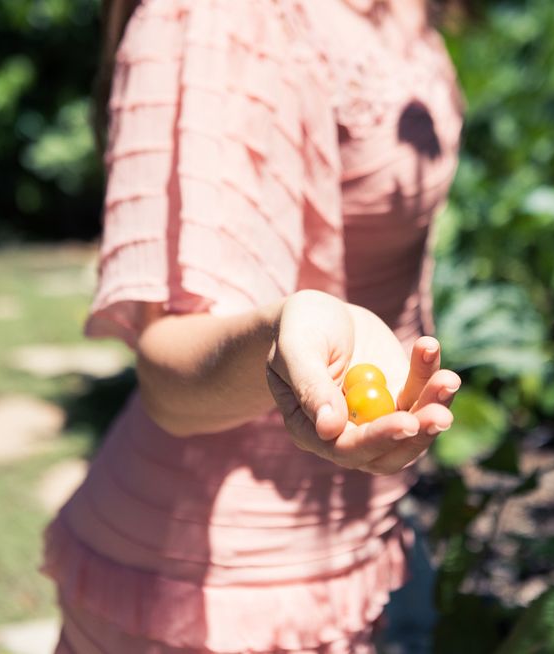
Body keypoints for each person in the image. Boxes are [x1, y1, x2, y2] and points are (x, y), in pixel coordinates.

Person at [41, 0, 465, 651]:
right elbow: (168, 378)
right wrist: (283, 333)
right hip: (209, 591)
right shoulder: (218, 18)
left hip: (356, 548)